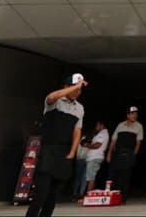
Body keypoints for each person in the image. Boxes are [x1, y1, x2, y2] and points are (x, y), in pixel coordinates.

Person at [26, 73, 85, 217]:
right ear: (66, 87)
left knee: (53, 197)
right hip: (49, 149)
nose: (77, 91)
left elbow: (77, 132)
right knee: (41, 194)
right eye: (74, 88)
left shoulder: (80, 108)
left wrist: (72, 152)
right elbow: (51, 97)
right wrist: (76, 86)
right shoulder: (55, 101)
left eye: (80, 89)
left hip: (64, 152)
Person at [105, 106, 143, 203]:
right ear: (128, 115)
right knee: (113, 175)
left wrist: (134, 155)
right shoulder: (120, 125)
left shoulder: (139, 126)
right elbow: (114, 140)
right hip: (117, 153)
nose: (135, 115)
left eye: (136, 114)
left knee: (125, 176)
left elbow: (138, 142)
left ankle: (122, 198)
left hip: (129, 153)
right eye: (133, 114)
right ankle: (111, 197)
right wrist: (109, 153)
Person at [80, 120, 108, 196]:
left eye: (97, 125)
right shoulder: (100, 134)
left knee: (91, 177)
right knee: (91, 177)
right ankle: (91, 195)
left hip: (95, 157)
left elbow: (97, 145)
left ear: (102, 126)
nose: (96, 127)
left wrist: (86, 145)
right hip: (93, 157)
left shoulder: (103, 133)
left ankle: (88, 196)